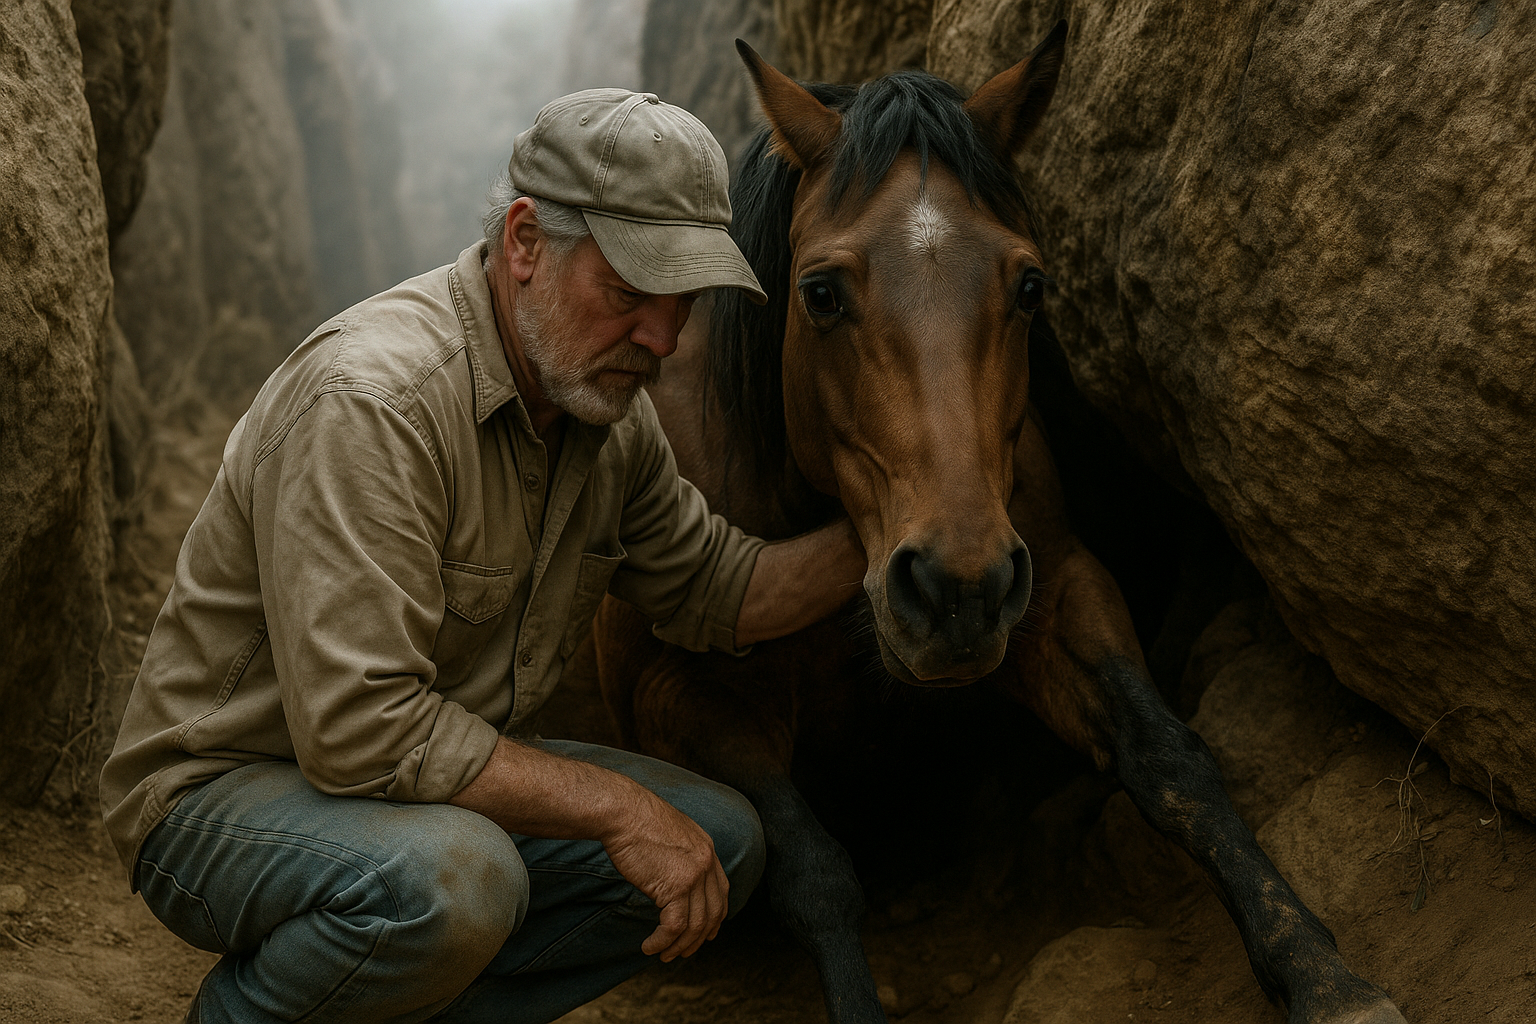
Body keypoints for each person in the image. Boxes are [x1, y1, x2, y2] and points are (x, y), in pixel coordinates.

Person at [99, 88, 867, 1024]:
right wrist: (622, 810)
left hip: (416, 793)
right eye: (630, 292)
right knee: (462, 885)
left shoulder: (603, 413)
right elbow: (361, 730)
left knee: (723, 840)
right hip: (223, 797)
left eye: (685, 301)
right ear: (524, 243)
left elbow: (725, 587)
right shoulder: (374, 400)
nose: (663, 341)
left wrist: (896, 525)